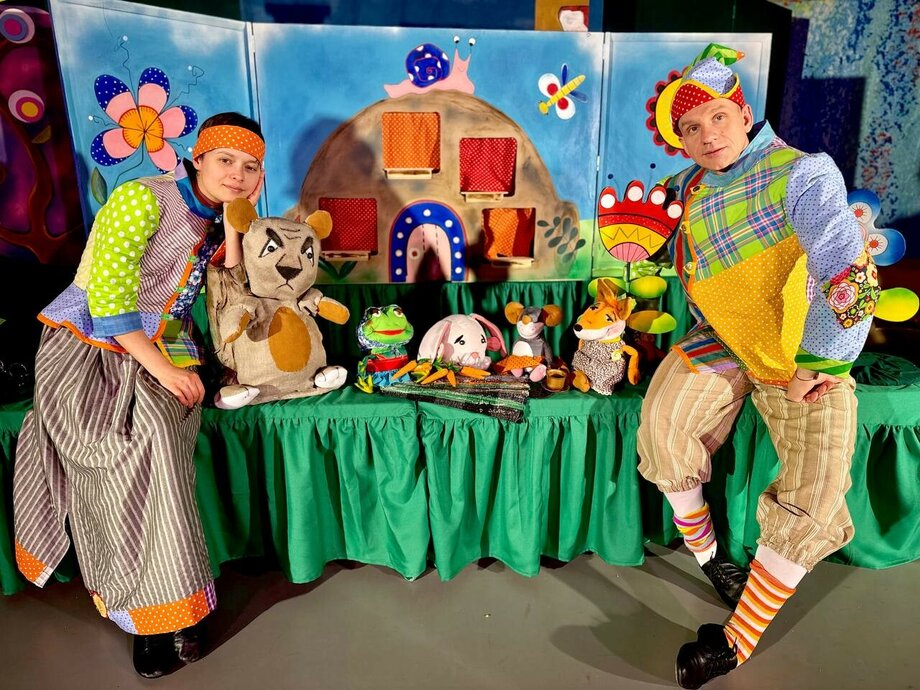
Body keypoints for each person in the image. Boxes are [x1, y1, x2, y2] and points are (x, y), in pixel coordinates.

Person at [635, 45, 879, 688]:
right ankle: (710, 557)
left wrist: (819, 363)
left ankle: (735, 641)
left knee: (817, 488)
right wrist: (634, 243)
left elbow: (849, 270)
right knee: (662, 427)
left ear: (744, 115)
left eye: (717, 117)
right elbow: (668, 255)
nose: (706, 135)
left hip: (802, 356)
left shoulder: (802, 173)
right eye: (690, 127)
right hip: (722, 340)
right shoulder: (686, 189)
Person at [12, 112, 265, 678]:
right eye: (226, 160)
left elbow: (234, 280)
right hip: (92, 345)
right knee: (126, 449)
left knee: (166, 443)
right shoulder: (142, 198)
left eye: (251, 167)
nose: (237, 174)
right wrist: (166, 372)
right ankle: (144, 616)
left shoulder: (220, 217)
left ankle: (180, 603)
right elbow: (108, 305)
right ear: (197, 158)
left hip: (166, 340)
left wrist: (234, 221)